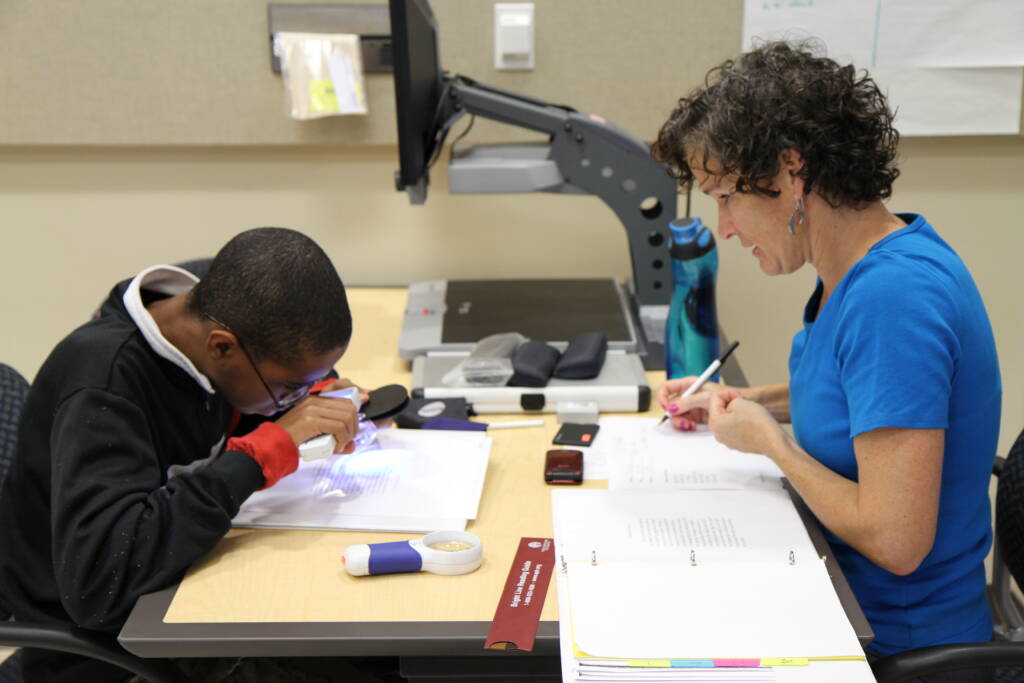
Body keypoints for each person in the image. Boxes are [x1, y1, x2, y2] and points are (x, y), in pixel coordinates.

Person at [652, 41, 1001, 665]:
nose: (723, 227)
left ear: (791, 173)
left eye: (726, 196)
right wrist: (741, 401)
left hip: (899, 648)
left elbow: (897, 541)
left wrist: (772, 444)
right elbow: (854, 389)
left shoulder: (893, 297)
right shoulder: (859, 267)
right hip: (846, 606)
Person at [0, 228, 366, 682]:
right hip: (108, 651)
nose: (295, 398)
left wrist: (314, 403)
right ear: (222, 346)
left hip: (178, 594)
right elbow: (100, 582)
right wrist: (256, 457)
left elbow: (223, 410)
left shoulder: (204, 336)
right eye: (290, 387)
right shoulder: (103, 385)